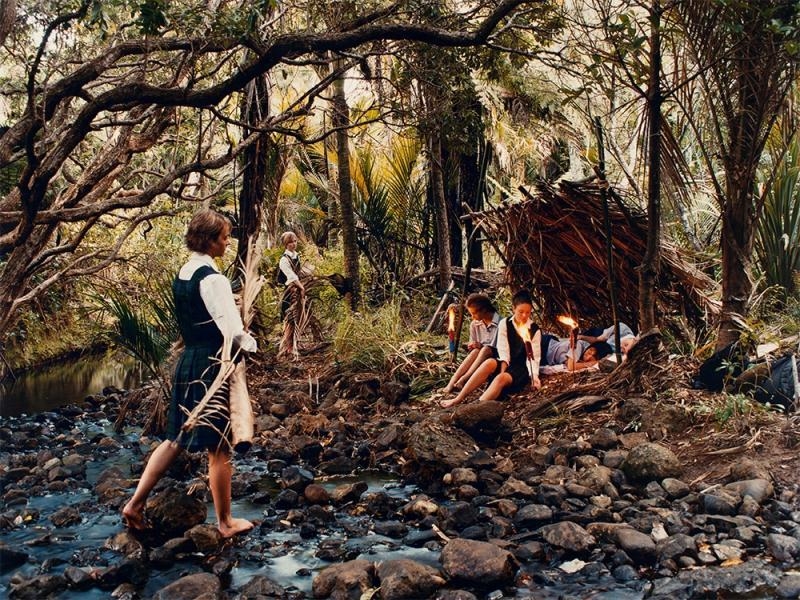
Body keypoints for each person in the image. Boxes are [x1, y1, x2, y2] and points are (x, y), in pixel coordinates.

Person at [122, 209, 256, 539]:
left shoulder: (184, 272)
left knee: (175, 439)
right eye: (224, 237)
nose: (227, 242)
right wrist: (251, 345)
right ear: (210, 241)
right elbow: (233, 331)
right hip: (211, 366)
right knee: (220, 447)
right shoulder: (213, 279)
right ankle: (225, 522)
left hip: (189, 362)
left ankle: (135, 504)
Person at [443, 289, 541, 407]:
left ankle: (475, 406)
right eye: (521, 312)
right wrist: (502, 370)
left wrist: (534, 377)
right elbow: (503, 349)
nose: (524, 315)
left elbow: (534, 357)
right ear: (514, 308)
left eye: (528, 312)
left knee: (501, 379)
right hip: (506, 360)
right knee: (489, 362)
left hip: (521, 366)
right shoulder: (505, 323)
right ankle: (458, 398)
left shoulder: (534, 329)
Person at [442, 293, 501, 394]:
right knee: (475, 352)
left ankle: (464, 379)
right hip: (479, 357)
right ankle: (451, 383)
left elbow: (499, 347)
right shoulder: (475, 324)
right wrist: (472, 345)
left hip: (495, 358)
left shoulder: (501, 323)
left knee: (485, 349)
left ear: (484, 310)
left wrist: (481, 346)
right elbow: (472, 346)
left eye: (474, 313)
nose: (472, 317)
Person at [277, 231, 304, 358]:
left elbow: (299, 272)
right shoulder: (284, 260)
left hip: (298, 289)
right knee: (290, 318)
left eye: (294, 241)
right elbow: (291, 276)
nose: (293, 244)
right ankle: (287, 347)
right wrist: (301, 286)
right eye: (290, 242)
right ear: (285, 244)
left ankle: (293, 345)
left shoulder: (296, 256)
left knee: (298, 317)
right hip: (290, 291)